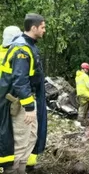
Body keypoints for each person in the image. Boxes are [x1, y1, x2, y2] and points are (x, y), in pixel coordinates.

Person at [0, 13, 47, 174]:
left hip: (29, 100)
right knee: (20, 141)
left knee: (31, 137)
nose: (44, 30)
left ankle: (22, 170)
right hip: (20, 103)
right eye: (42, 27)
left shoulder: (29, 45)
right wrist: (29, 107)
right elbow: (20, 80)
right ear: (33, 28)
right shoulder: (22, 48)